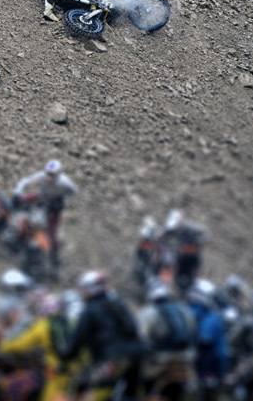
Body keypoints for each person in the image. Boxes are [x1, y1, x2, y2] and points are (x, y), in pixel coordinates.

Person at [60, 271, 144, 401]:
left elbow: (78, 340)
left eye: (83, 289)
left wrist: (65, 356)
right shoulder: (119, 304)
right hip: (137, 357)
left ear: (89, 289)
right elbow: (134, 328)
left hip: (111, 360)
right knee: (130, 394)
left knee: (81, 383)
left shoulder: (90, 310)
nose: (82, 293)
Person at [13, 161, 79, 251]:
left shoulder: (65, 182)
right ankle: (17, 239)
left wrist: (62, 198)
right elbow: (25, 181)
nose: (48, 176)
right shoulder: (42, 176)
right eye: (47, 173)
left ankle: (54, 256)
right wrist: (17, 194)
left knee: (52, 234)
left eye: (51, 174)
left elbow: (74, 190)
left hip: (54, 207)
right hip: (41, 198)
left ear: (58, 174)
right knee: (21, 209)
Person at [161, 211, 206, 294]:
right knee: (177, 277)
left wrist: (185, 248)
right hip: (180, 257)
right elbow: (164, 235)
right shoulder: (171, 229)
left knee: (190, 282)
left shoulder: (192, 229)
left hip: (191, 259)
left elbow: (202, 240)